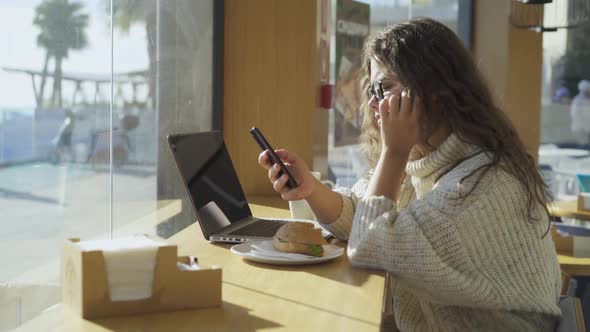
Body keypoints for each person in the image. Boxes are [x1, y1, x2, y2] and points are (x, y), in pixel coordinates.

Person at [258, 18, 560, 330]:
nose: (373, 104)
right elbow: (364, 214)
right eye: (371, 90)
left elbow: (369, 246)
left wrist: (394, 152)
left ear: (433, 90)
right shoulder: (431, 161)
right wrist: (311, 190)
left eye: (384, 88)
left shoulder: (479, 184)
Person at [570, 79, 590, 145]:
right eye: (587, 90)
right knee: (582, 145)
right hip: (580, 128)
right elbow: (575, 115)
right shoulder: (577, 101)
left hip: (587, 128)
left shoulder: (588, 100)